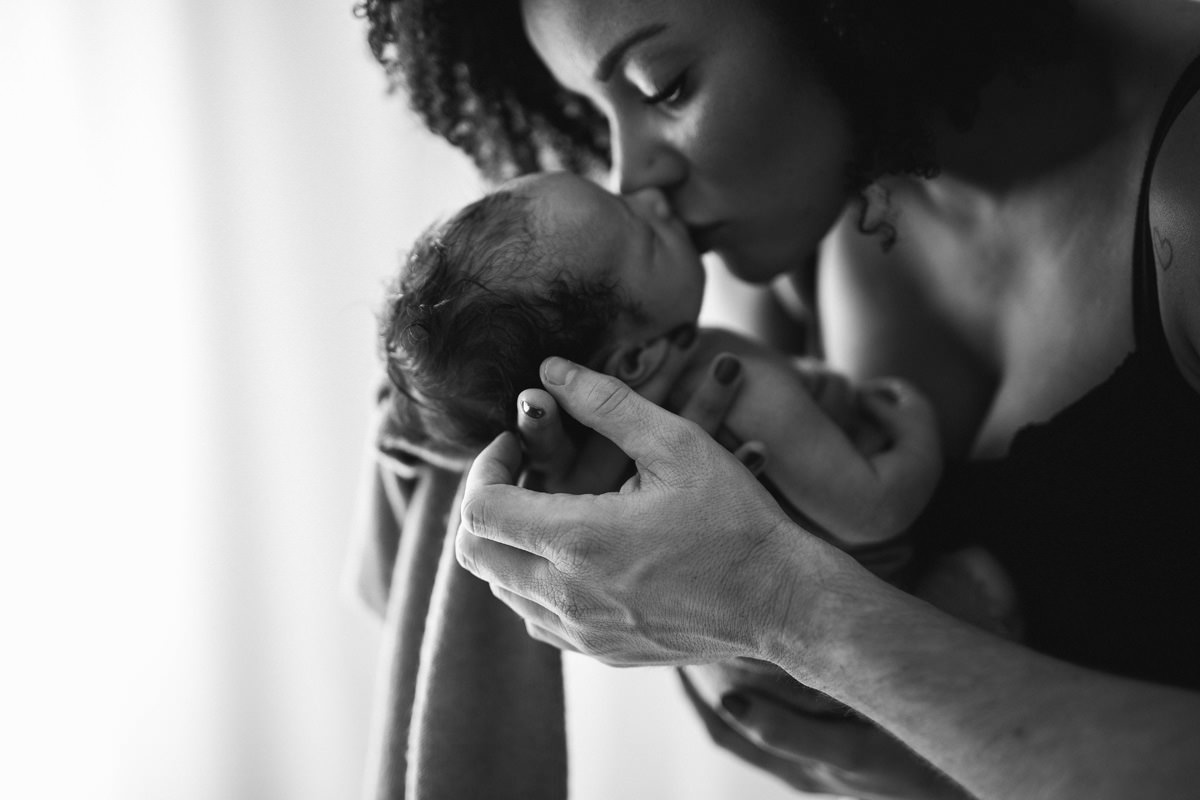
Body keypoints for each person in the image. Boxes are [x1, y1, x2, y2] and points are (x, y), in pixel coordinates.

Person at [359, 0, 1200, 797]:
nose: (631, 169)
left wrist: (786, 610)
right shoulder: (806, 231)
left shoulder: (1184, 202)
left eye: (664, 86)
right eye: (595, 106)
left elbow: (789, 607)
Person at [378, 170, 1017, 716]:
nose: (651, 196)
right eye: (644, 231)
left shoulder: (603, 453)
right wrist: (919, 433)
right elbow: (873, 511)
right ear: (633, 359)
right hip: (875, 642)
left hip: (774, 670)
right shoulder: (735, 386)